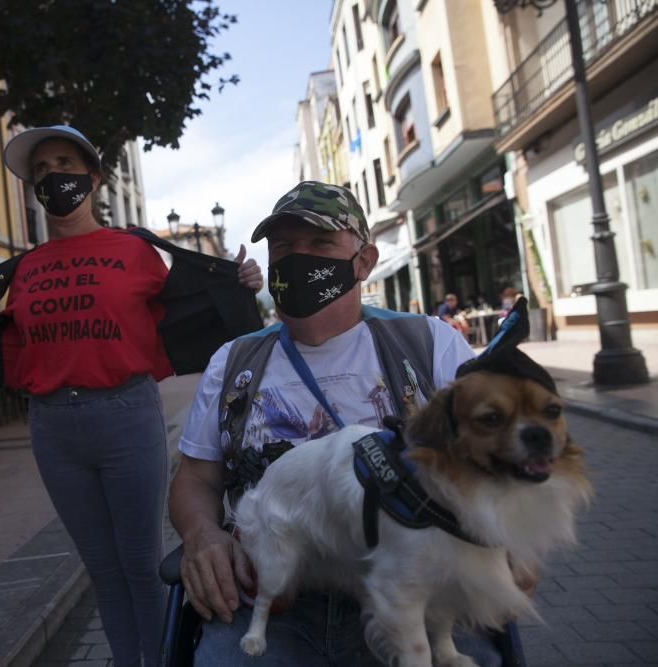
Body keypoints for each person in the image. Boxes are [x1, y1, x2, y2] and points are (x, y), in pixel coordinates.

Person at [0, 125, 263, 667]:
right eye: (41, 171)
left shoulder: (136, 249)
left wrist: (242, 283)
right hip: (53, 428)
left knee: (140, 565)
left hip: (126, 417)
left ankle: (160, 660)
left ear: (93, 178)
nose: (53, 177)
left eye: (64, 164)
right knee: (101, 569)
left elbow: (192, 302)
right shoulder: (24, 269)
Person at [168, 182, 519, 665]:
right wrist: (201, 535)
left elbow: (497, 454)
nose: (298, 258)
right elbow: (194, 479)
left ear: (364, 261)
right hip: (276, 592)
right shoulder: (234, 362)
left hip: (416, 588)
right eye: (285, 247)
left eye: (320, 244)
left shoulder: (429, 344)